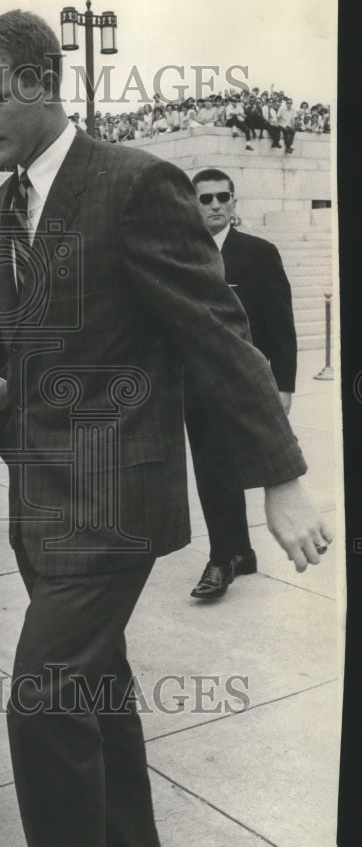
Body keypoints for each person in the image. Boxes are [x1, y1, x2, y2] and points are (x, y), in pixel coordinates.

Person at [0, 10, 332, 847]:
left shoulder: (134, 183)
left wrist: (280, 477)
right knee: (95, 698)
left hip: (113, 503)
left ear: (43, 82)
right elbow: (37, 345)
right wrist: (1, 395)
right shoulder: (7, 206)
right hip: (43, 504)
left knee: (43, 704)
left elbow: (216, 330)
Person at [186, 169, 297, 599]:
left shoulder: (258, 253)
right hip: (195, 383)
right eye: (205, 199)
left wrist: (283, 383)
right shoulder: (181, 253)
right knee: (212, 467)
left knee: (227, 467)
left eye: (222, 197)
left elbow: (280, 325)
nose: (214, 205)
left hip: (243, 381)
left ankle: (225, 557)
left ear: (234, 202)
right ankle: (235, 553)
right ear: (192, 205)